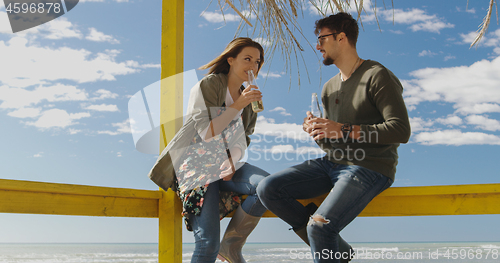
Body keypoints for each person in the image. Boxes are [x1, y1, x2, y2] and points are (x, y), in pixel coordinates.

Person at [257, 12, 411, 263]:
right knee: (268, 188)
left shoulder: (377, 74)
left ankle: (325, 239)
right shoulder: (328, 87)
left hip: (369, 166)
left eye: (322, 39)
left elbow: (400, 130)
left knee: (320, 225)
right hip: (332, 162)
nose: (318, 46)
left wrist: (341, 129)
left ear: (341, 37)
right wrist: (317, 131)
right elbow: (332, 139)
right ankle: (336, 249)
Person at [148, 37, 269, 263]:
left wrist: (233, 160)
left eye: (257, 62)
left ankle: (231, 245)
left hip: (226, 164)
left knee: (269, 186)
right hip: (197, 164)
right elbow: (206, 132)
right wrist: (239, 104)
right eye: (248, 59)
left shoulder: (249, 97)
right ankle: (219, 246)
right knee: (207, 244)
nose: (253, 66)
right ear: (230, 60)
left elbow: (244, 138)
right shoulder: (210, 85)